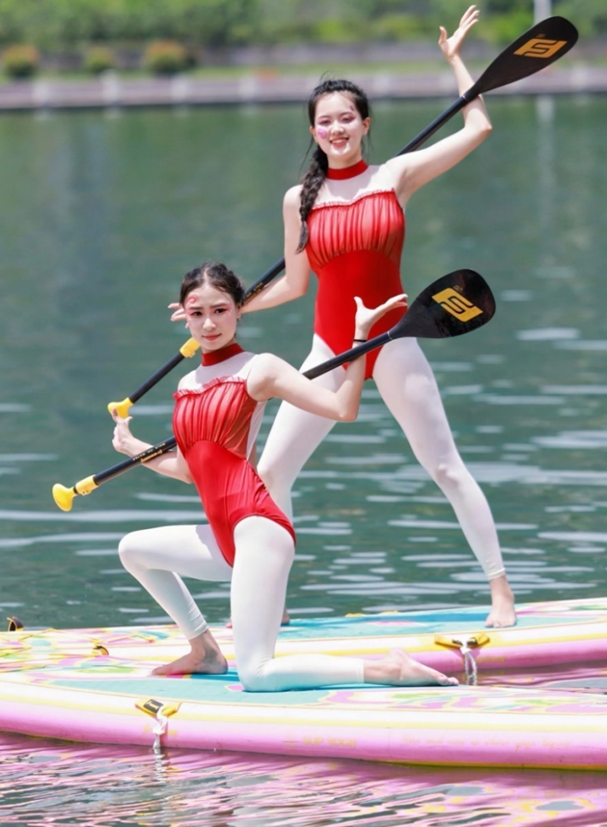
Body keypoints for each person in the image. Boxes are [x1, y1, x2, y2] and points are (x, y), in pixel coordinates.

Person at [201, 7, 515, 627]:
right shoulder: (299, 201)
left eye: (347, 118)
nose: (337, 128)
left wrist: (455, 60)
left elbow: (478, 126)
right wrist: (227, 310)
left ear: (365, 124)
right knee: (268, 474)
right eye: (325, 121)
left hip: (394, 342)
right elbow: (295, 284)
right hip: (329, 350)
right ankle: (268, 607)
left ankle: (500, 591)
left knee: (444, 466)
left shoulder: (394, 176)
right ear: (314, 132)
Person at [114, 262, 457, 690]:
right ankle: (204, 651)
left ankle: (388, 669)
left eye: (220, 310)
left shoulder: (261, 369)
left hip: (258, 529)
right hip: (223, 537)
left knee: (256, 674)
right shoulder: (186, 385)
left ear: (239, 309)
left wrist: (359, 338)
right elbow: (187, 471)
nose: (209, 324)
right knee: (133, 550)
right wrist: (134, 448)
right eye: (198, 313)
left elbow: (342, 409)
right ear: (184, 315)